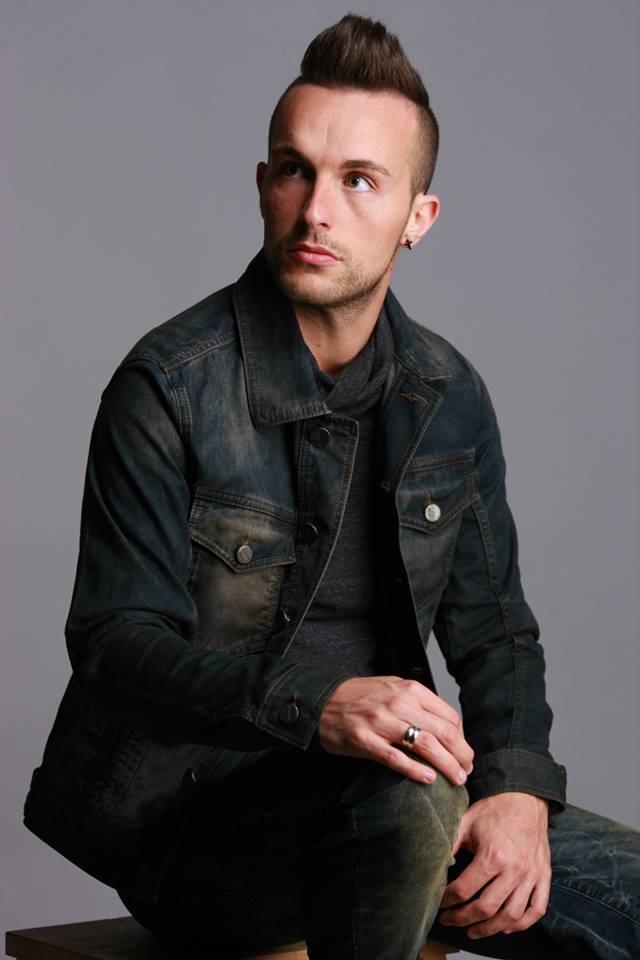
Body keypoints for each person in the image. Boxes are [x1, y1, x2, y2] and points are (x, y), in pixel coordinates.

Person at [24, 14, 639, 960]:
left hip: (405, 801)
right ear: (262, 186)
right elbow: (116, 644)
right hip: (192, 825)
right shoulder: (169, 387)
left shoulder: (449, 394)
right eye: (294, 170)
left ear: (418, 217)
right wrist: (316, 703)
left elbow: (497, 632)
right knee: (412, 801)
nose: (317, 210)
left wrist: (517, 790)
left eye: (359, 180)